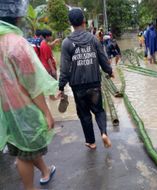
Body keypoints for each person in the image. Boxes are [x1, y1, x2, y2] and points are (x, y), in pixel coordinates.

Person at [0, 1, 58, 189]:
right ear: (17, 15)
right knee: (23, 156)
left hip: (5, 110)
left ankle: (45, 170)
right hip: (24, 110)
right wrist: (47, 112)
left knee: (26, 148)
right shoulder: (16, 43)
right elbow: (33, 85)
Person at [58, 9, 113, 149]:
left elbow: (64, 68)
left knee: (84, 114)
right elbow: (102, 58)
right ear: (83, 21)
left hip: (78, 86)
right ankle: (104, 133)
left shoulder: (66, 43)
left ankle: (91, 142)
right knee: (99, 110)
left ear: (70, 23)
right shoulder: (93, 39)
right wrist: (110, 71)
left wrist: (61, 86)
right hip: (94, 83)